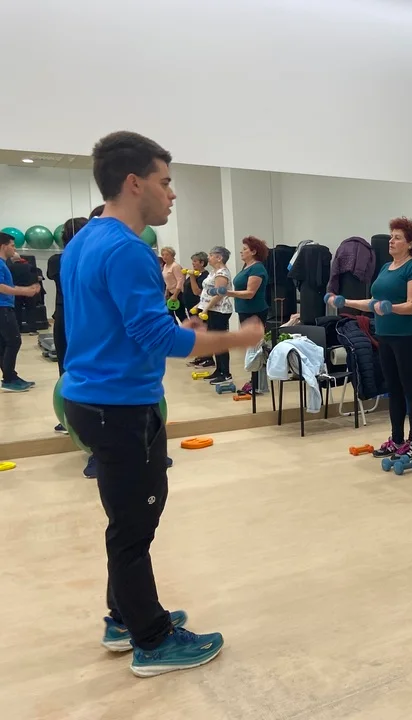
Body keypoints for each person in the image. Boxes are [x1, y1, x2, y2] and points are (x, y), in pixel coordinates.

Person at [61, 130, 263, 677]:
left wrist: (178, 331)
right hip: (120, 406)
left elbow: (113, 325)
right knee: (134, 527)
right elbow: (155, 338)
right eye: (165, 181)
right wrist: (236, 338)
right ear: (134, 183)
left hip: (91, 398)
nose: (172, 194)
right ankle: (150, 640)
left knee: (125, 520)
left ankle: (123, 617)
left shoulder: (84, 240)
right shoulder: (129, 249)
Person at [328, 218, 412, 461]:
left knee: (410, 388)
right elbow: (373, 303)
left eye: (397, 238)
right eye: (391, 236)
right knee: (393, 388)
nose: (391, 241)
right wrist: (345, 301)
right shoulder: (385, 268)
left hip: (407, 336)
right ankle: (397, 439)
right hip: (384, 334)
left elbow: (411, 306)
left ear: (410, 244)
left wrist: (389, 307)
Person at [47, 217, 88, 432]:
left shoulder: (58, 260)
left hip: (77, 316)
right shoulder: (60, 260)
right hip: (72, 315)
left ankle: (78, 417)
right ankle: (71, 416)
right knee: (68, 368)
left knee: (73, 368)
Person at [227, 236, 269, 394]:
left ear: (253, 251)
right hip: (245, 311)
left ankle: (258, 384)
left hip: (255, 311)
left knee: (256, 348)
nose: (241, 252)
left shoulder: (257, 269)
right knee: (251, 348)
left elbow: (250, 293)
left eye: (244, 249)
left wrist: (228, 293)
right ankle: (255, 381)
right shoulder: (247, 267)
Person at [0, 233, 40, 392]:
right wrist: (24, 291)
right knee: (14, 341)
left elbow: (7, 286)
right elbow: (1, 287)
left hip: (4, 307)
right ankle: (9, 379)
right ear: (3, 246)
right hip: (2, 308)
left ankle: (10, 377)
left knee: (4, 344)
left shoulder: (3, 264)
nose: (14, 249)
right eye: (12, 245)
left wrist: (27, 290)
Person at [193, 246, 234, 385]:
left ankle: (226, 373)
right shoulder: (213, 271)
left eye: (211, 255)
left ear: (219, 258)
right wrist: (199, 306)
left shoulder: (222, 273)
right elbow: (206, 292)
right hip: (211, 310)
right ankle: (219, 370)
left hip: (219, 311)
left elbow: (219, 294)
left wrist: (206, 309)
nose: (208, 257)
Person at [183, 252, 213, 369]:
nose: (193, 263)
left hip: (201, 308)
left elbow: (196, 292)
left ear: (202, 263)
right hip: (192, 309)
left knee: (204, 334)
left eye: (195, 261)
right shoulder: (194, 274)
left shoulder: (204, 276)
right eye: (193, 261)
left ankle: (208, 359)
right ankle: (201, 356)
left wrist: (191, 276)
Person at [159, 246, 187, 324]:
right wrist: (166, 292)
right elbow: (167, 281)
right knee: (169, 314)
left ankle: (189, 329)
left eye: (167, 255)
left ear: (172, 255)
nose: (164, 257)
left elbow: (180, 281)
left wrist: (175, 295)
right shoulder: (165, 266)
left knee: (180, 314)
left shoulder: (175, 266)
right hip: (170, 292)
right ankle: (175, 329)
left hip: (178, 293)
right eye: (163, 255)